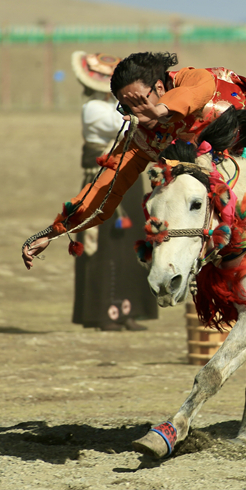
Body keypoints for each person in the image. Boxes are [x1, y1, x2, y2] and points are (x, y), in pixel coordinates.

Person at [21, 52, 246, 268]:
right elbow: (104, 190)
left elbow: (197, 92)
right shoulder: (143, 137)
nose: (134, 113)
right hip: (242, 183)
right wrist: (53, 231)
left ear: (161, 86)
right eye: (125, 106)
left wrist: (161, 111)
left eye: (139, 101)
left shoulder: (194, 79)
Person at [69, 51, 157, 331]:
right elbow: (126, 124)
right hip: (103, 180)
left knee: (131, 241)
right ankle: (104, 313)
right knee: (105, 245)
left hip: (127, 179)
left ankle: (130, 310)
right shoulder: (93, 108)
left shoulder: (114, 106)